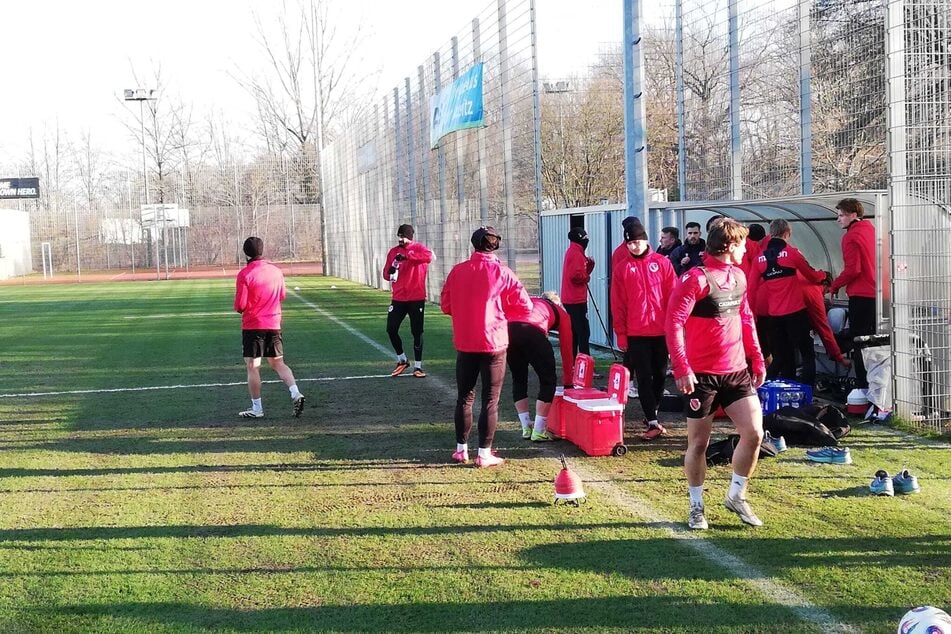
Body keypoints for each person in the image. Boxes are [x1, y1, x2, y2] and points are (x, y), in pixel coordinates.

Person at [666, 218, 767, 530]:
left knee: (754, 433)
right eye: (742, 244)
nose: (746, 249)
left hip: (736, 372)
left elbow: (746, 317)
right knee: (698, 444)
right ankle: (696, 506)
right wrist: (682, 367)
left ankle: (736, 495)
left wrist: (757, 358)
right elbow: (673, 323)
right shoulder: (695, 279)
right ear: (730, 245)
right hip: (701, 376)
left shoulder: (738, 275)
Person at [441, 226, 532, 468]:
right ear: (496, 245)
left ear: (474, 244)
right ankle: (484, 453)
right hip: (494, 343)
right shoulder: (503, 272)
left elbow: (446, 305)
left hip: (466, 342)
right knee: (490, 400)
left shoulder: (458, 271)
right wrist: (501, 313)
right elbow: (525, 307)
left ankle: (461, 449)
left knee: (464, 397)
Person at [611, 220, 676, 440]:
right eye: (630, 243)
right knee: (644, 377)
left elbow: (673, 296)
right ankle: (652, 420)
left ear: (646, 240)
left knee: (660, 375)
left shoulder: (662, 263)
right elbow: (617, 303)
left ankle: (653, 412)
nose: (634, 246)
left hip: (660, 331)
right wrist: (621, 333)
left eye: (638, 241)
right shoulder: (623, 268)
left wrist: (675, 327)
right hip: (636, 332)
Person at [747, 219, 828, 387]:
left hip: (774, 316)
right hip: (796, 312)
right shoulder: (792, 253)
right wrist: (824, 276)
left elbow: (751, 290)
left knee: (783, 356)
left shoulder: (759, 259)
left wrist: (751, 315)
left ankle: (775, 388)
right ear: (787, 233)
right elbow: (812, 275)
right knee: (807, 353)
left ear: (771, 233)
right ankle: (807, 392)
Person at [233, 236, 305, 419]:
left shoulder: (245, 274)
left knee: (253, 366)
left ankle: (257, 408)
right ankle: (295, 392)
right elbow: (282, 295)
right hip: (273, 324)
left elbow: (240, 305)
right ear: (262, 250)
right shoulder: (276, 271)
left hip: (253, 326)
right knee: (278, 363)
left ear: (245, 252)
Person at [504, 291, 574, 442]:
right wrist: (569, 382)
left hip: (508, 330)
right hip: (533, 331)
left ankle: (525, 427)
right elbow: (567, 349)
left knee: (519, 378)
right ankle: (539, 430)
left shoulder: (530, 300)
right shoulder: (561, 312)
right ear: (557, 303)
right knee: (548, 381)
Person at [829, 198, 876, 389]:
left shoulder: (850, 237)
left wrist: (835, 285)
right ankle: (878, 384)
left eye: (841, 215)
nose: (838, 220)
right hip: (879, 294)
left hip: (861, 294)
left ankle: (863, 386)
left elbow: (853, 269)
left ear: (853, 216)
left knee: (859, 341)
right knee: (876, 342)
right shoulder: (872, 231)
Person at [382, 224, 434, 378]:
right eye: (399, 236)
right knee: (391, 329)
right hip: (398, 297)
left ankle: (418, 366)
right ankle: (402, 359)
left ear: (410, 237)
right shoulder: (393, 252)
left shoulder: (419, 248)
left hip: (416, 297)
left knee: (417, 331)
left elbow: (428, 257)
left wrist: (407, 257)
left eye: (403, 236)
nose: (400, 239)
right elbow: (386, 274)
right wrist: (390, 271)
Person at [560, 226, 595, 358]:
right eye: (585, 238)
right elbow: (575, 276)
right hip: (575, 299)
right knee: (583, 332)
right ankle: (584, 363)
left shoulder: (574, 251)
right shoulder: (576, 254)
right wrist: (587, 277)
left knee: (575, 331)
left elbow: (578, 273)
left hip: (571, 298)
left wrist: (589, 267)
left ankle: (574, 363)